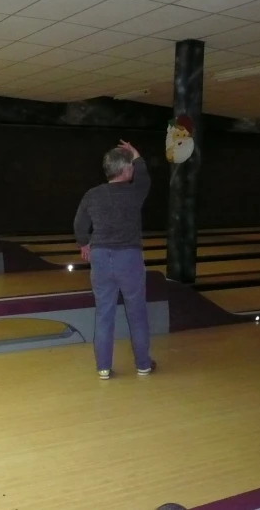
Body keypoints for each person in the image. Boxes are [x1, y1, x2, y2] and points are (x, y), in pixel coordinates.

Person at [73, 140, 156, 380]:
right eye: (131, 166)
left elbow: (79, 223)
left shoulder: (92, 194)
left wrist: (83, 243)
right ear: (126, 170)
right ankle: (142, 365)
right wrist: (137, 154)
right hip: (128, 257)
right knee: (137, 312)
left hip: (100, 257)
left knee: (104, 313)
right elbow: (144, 175)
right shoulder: (136, 190)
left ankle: (103, 368)